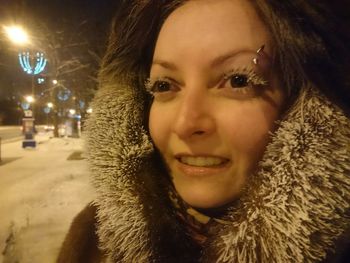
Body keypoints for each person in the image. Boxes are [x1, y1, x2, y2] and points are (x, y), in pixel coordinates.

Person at [57, 0, 350, 262]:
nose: (186, 123)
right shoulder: (95, 241)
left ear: (309, 109)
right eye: (164, 85)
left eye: (238, 80)